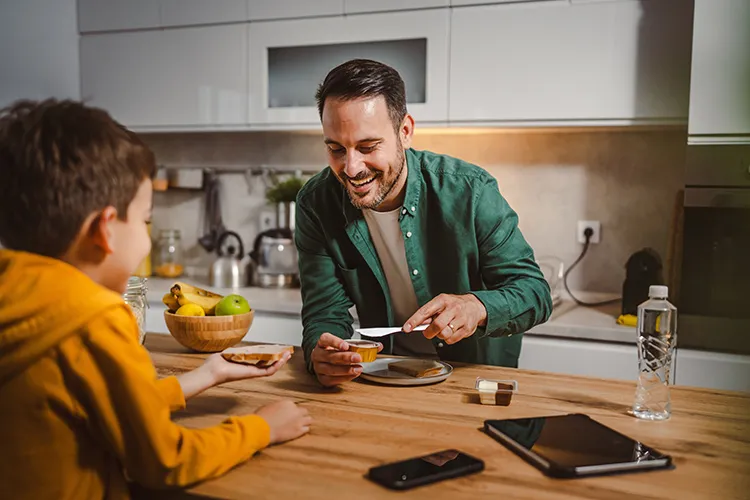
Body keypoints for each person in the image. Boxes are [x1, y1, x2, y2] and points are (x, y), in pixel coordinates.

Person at [0, 99, 312, 499]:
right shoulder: (95, 319)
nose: (148, 235)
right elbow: (164, 458)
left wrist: (204, 376)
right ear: (105, 230)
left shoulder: (22, 299)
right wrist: (262, 428)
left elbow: (98, 402)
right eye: (147, 219)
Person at [295, 59, 553, 387]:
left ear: (405, 131)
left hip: (473, 383)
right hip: (383, 378)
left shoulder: (470, 190)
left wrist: (476, 307)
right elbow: (323, 312)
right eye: (335, 149)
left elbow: (534, 292)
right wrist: (320, 354)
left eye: (368, 147)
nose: (351, 167)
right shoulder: (316, 203)